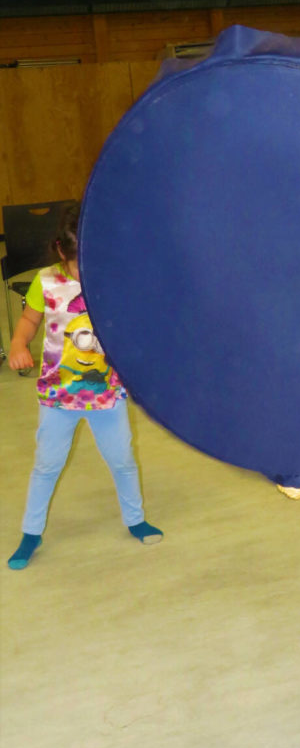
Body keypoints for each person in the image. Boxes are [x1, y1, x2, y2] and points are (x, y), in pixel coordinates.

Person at [7, 202, 162, 570]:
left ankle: (135, 519)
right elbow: (29, 320)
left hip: (106, 393)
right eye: (77, 263)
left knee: (122, 460)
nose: (84, 272)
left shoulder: (112, 279)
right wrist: (17, 344)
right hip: (57, 395)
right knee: (47, 465)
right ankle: (31, 532)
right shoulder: (45, 282)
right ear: (60, 250)